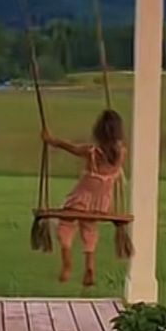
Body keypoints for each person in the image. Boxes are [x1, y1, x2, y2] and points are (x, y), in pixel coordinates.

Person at [43, 109, 126, 286]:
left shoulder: (92, 151)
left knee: (66, 225)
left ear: (98, 131)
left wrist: (52, 140)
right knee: (89, 228)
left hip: (82, 197)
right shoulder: (120, 153)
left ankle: (67, 264)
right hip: (101, 202)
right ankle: (90, 266)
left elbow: (71, 147)